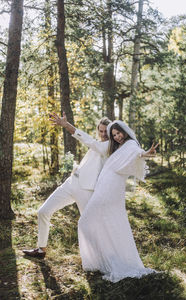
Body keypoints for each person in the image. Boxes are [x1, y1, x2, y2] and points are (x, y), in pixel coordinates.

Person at [78, 120, 159, 282]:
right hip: (105, 185)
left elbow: (138, 153)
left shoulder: (130, 144)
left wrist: (147, 153)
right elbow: (92, 142)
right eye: (113, 135)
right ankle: (105, 259)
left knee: (85, 221)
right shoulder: (117, 147)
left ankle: (106, 260)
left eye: (118, 133)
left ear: (124, 131)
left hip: (111, 188)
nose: (117, 137)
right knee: (105, 221)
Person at [23, 113, 111, 258]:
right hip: (70, 183)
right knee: (43, 212)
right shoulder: (98, 143)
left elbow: (88, 141)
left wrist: (67, 125)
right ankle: (41, 249)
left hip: (86, 190)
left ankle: (101, 257)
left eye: (105, 132)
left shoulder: (108, 147)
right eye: (100, 131)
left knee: (90, 224)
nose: (103, 134)